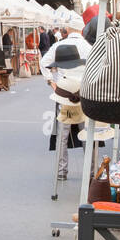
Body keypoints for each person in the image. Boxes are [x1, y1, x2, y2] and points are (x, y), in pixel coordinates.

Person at [40, 27, 93, 181]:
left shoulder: (59, 46)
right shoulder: (88, 47)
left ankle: (62, 171)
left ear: (66, 32)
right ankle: (90, 170)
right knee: (86, 133)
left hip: (64, 92)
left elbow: (44, 62)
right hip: (82, 92)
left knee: (62, 135)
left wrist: (51, 82)